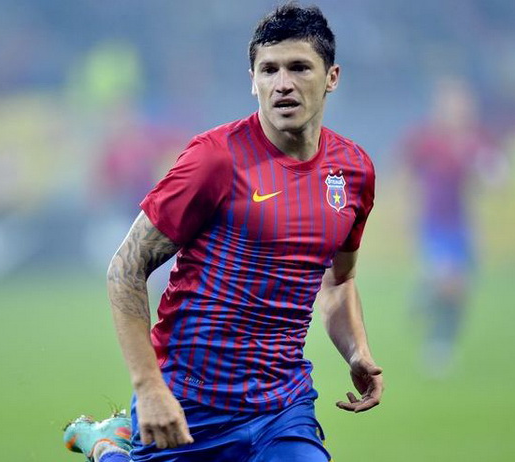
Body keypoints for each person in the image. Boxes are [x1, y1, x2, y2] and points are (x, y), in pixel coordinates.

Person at [64, 3, 383, 461]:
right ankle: (107, 445)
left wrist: (356, 351)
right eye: (269, 70)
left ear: (332, 77)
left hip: (282, 404)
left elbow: (339, 280)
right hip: (190, 399)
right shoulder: (215, 159)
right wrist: (148, 387)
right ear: (253, 80)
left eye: (299, 67)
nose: (283, 83)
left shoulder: (352, 171)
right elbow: (127, 266)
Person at [400, 76, 502, 378]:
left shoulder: (477, 140)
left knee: (461, 290)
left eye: (463, 103)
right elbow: (406, 172)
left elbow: (488, 179)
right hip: (434, 223)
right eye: (453, 103)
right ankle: (437, 344)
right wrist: (408, 210)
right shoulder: (427, 139)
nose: (459, 109)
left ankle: (428, 310)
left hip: (462, 223)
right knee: (451, 283)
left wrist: (490, 179)